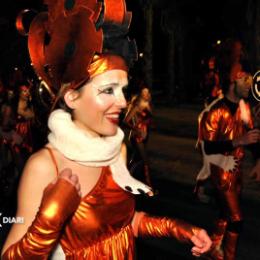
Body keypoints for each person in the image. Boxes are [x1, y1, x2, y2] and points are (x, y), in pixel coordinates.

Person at [1, 0, 212, 259]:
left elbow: (122, 225)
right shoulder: (46, 166)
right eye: (107, 90)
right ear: (72, 98)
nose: (123, 102)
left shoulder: (114, 151)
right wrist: (48, 221)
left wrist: (177, 228)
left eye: (122, 90)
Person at [196, 66, 260, 259]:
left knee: (225, 213)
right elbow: (207, 147)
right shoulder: (215, 111)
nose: (249, 86)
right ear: (232, 82)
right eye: (245, 81)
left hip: (236, 171)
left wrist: (258, 160)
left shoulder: (244, 108)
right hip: (220, 172)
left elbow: (252, 138)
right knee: (236, 219)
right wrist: (238, 141)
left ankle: (214, 248)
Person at [124, 86, 153, 187]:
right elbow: (126, 121)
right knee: (145, 160)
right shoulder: (136, 107)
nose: (146, 95)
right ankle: (148, 185)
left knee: (137, 159)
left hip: (145, 136)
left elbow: (148, 120)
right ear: (140, 95)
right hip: (137, 137)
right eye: (144, 93)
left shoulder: (148, 105)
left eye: (148, 92)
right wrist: (136, 129)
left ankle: (127, 179)